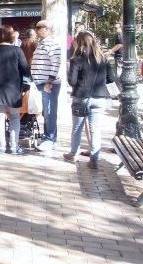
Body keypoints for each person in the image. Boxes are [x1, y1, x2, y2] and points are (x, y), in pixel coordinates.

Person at [64, 31, 115, 169]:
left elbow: (72, 82)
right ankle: (94, 158)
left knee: (77, 128)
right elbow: (111, 79)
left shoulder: (76, 59)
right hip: (99, 98)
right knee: (95, 129)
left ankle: (73, 153)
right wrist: (115, 95)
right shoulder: (102, 58)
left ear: (79, 42)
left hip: (81, 97)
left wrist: (70, 70)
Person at [0, 25, 31, 155]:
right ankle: (14, 146)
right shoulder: (17, 51)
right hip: (14, 89)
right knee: (14, 117)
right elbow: (26, 70)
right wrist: (27, 86)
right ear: (11, 36)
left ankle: (1, 146)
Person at [31, 20, 62, 151]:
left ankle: (50, 138)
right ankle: (48, 136)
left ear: (47, 29)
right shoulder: (42, 43)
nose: (36, 30)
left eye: (39, 28)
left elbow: (56, 64)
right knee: (45, 111)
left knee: (49, 111)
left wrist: (49, 82)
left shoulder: (52, 44)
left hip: (48, 84)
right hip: (41, 82)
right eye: (36, 27)